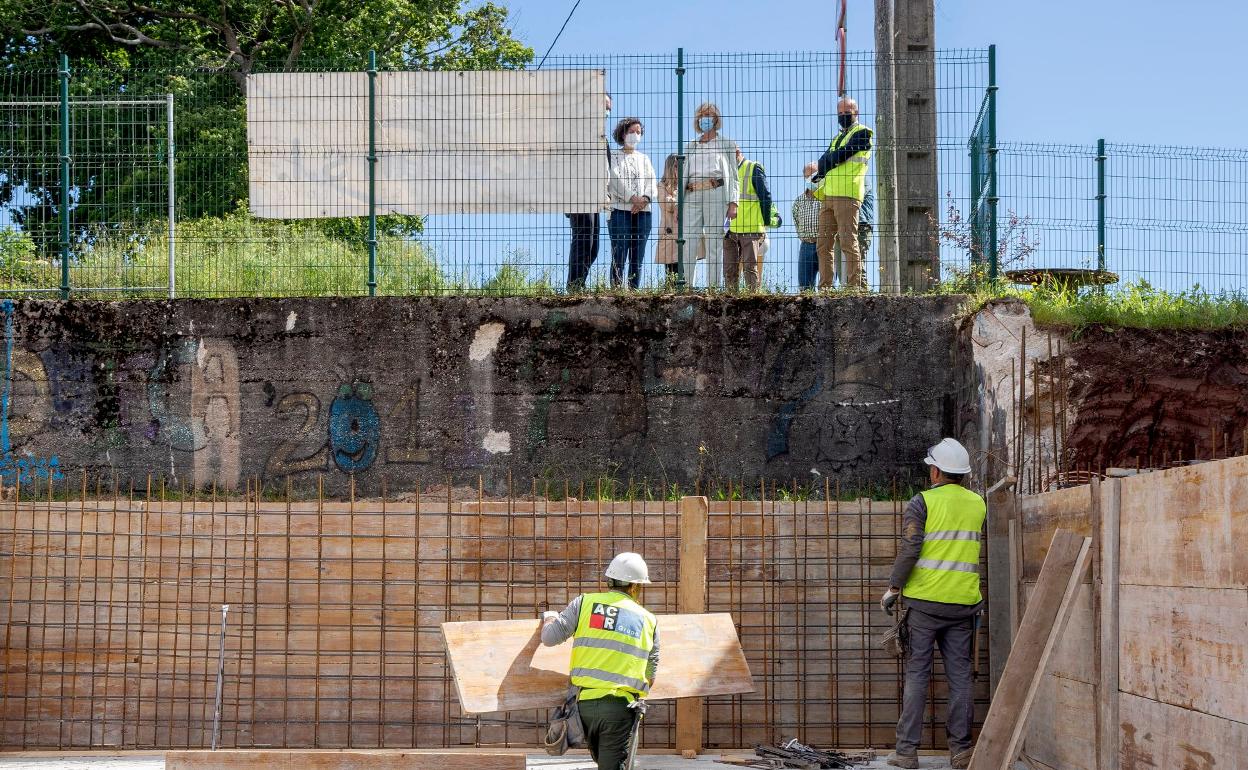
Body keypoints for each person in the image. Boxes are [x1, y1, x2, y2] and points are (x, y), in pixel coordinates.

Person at [881, 438, 985, 770]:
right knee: (960, 678)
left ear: (936, 471)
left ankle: (907, 752)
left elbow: (911, 548)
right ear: (963, 474)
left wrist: (894, 588)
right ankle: (961, 751)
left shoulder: (921, 502)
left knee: (916, 676)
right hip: (963, 606)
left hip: (924, 605)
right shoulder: (978, 504)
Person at [542, 552, 660, 770]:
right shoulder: (648, 620)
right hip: (618, 709)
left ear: (609, 581)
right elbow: (651, 673)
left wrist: (550, 616)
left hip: (582, 707)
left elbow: (549, 638)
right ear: (635, 587)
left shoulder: (585, 603)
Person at [803, 96, 872, 290]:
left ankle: (853, 287)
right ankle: (825, 287)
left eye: (847, 112)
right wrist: (819, 171)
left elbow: (842, 154)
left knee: (848, 242)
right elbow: (826, 162)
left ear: (856, 113)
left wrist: (822, 163)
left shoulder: (863, 133)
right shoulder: (836, 138)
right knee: (823, 245)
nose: (843, 116)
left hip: (848, 195)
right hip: (828, 197)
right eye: (840, 113)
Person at [682, 102, 739, 289]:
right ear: (698, 120)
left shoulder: (727, 144)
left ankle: (713, 287)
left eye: (710, 115)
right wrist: (679, 204)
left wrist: (733, 202)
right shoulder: (690, 147)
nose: (706, 118)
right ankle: (686, 285)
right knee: (689, 241)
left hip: (716, 192)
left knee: (714, 241)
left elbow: (734, 175)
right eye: (702, 115)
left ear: (716, 119)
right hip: (691, 195)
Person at [567, 94, 613, 291]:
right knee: (583, 238)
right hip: (579, 194)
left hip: (596, 197)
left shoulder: (601, 138)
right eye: (604, 105)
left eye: (608, 108)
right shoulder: (578, 132)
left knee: (593, 246)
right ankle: (574, 286)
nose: (606, 111)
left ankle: (579, 284)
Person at [606, 118, 656, 290]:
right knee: (619, 252)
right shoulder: (613, 155)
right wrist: (631, 197)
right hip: (619, 211)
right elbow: (613, 178)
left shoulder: (644, 158)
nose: (636, 135)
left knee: (637, 255)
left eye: (639, 132)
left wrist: (645, 199)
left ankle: (634, 289)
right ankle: (616, 289)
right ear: (623, 133)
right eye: (632, 131)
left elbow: (652, 182)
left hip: (643, 212)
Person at [723, 147, 775, 292]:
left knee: (750, 269)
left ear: (737, 153)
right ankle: (731, 302)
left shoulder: (753, 168)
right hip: (730, 230)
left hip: (750, 228)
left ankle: (753, 302)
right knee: (729, 270)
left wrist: (764, 222)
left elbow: (766, 197)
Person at [655, 154, 682, 282]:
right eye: (676, 166)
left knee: (686, 268)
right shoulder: (661, 186)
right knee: (671, 270)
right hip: (670, 233)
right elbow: (666, 203)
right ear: (670, 168)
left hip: (684, 233)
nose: (679, 169)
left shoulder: (686, 186)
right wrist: (679, 202)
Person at [792, 189, 821, 291]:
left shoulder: (825, 197)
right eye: (808, 174)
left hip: (825, 244)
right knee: (805, 286)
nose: (811, 177)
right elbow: (796, 221)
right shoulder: (799, 201)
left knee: (827, 285)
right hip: (806, 245)